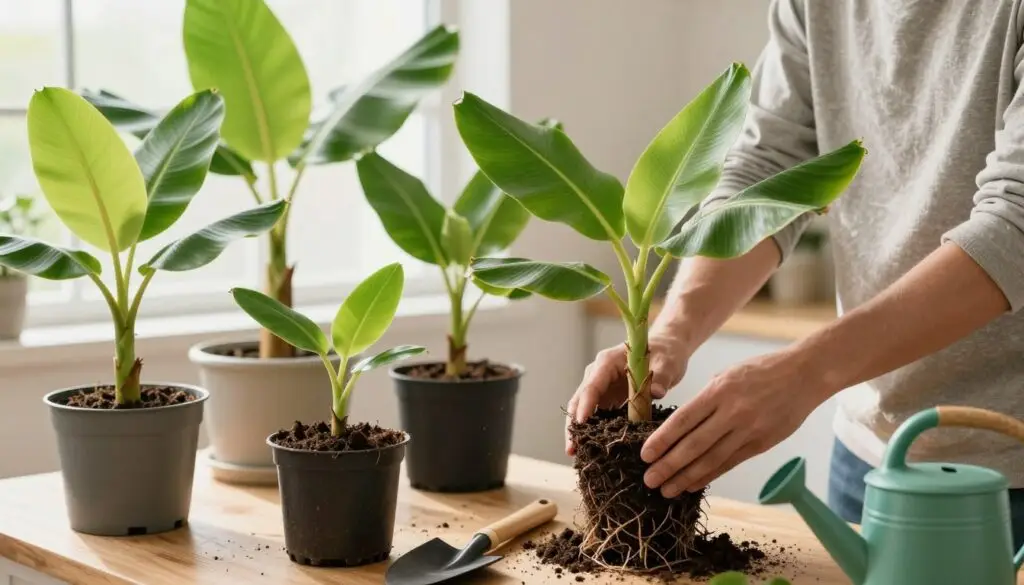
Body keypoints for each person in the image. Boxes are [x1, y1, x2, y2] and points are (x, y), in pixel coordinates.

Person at [566, 0, 1024, 547]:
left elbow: (1015, 224)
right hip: (869, 448)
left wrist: (808, 371)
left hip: (1009, 462)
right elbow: (768, 169)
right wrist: (672, 329)